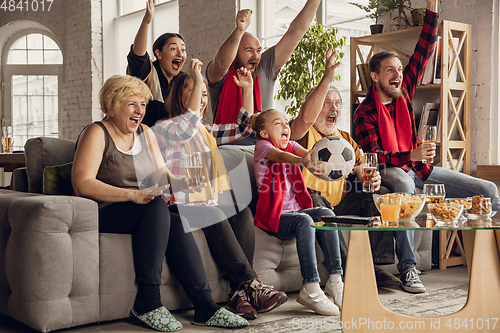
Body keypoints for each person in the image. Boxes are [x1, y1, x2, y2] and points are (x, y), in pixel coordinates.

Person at [72, 75, 249, 331]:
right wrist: (131, 195)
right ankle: (148, 300)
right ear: (112, 104)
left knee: (176, 221)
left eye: (142, 105)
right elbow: (82, 184)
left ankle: (205, 305)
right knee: (155, 206)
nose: (139, 111)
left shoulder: (144, 132)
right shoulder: (97, 132)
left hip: (141, 208)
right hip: (105, 210)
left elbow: (162, 172)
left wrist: (185, 184)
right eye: (132, 103)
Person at [153, 59, 287, 320]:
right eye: (195, 93)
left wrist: (247, 89)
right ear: (179, 97)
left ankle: (241, 293)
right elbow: (187, 125)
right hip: (178, 205)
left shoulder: (205, 130)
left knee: (242, 212)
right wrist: (197, 76)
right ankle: (251, 283)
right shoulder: (165, 129)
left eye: (204, 95)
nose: (201, 100)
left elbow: (243, 128)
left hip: (204, 202)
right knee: (212, 210)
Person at [289, 46, 426, 294]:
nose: (334, 108)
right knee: (316, 197)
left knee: (378, 199)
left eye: (337, 103)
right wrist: (328, 78)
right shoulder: (300, 134)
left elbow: (363, 166)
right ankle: (350, 270)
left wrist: (367, 177)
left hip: (339, 205)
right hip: (309, 203)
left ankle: (375, 265)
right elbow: (304, 119)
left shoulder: (345, 139)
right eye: (326, 103)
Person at [353, 0, 500, 212]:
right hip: (391, 169)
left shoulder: (403, 92)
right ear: (374, 76)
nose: (398, 74)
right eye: (390, 70)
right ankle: (406, 247)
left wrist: (432, 7)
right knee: (405, 184)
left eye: (399, 69)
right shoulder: (364, 112)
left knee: (488, 190)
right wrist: (411, 155)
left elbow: (424, 51)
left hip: (420, 168)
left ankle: (491, 245)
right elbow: (374, 157)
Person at [251, 109, 344, 316]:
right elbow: (282, 156)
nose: (285, 126)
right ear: (264, 133)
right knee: (304, 221)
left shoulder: (291, 145)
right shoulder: (262, 146)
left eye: (286, 122)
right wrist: (301, 161)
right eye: (278, 123)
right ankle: (310, 287)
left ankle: (335, 280)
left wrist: (322, 162)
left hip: (297, 212)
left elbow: (311, 154)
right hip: (274, 217)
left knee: (325, 212)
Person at [206, 1, 321, 144]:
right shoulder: (221, 75)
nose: (256, 56)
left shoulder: (263, 68)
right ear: (235, 53)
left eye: (258, 51)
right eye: (249, 50)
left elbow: (295, 33)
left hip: (264, 152)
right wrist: (239, 30)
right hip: (227, 151)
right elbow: (220, 63)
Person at [127, 0, 186, 127]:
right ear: (158, 54)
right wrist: (146, 22)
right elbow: (138, 57)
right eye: (173, 48)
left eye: (183, 49)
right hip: (142, 137)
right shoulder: (148, 72)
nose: (180, 54)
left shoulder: (182, 80)